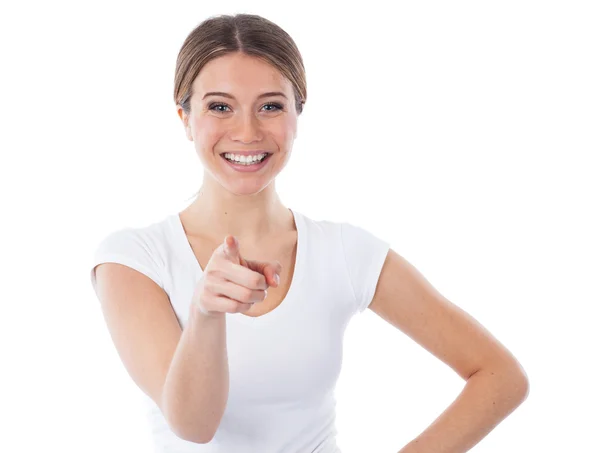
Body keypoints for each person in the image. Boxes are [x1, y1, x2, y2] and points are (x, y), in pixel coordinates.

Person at [90, 13, 529, 453]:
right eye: (220, 106)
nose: (247, 132)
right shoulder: (133, 260)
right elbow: (194, 425)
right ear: (185, 117)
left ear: (297, 114)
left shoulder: (344, 253)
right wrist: (206, 313)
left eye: (271, 106)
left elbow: (500, 375)